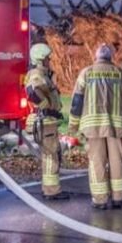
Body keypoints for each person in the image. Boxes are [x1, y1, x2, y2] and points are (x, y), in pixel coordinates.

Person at [69, 44, 122, 209]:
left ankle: (100, 200)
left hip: (93, 127)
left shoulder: (86, 73)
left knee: (97, 162)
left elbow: (77, 101)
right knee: (117, 161)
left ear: (96, 57)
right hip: (116, 126)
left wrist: (73, 125)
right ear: (110, 57)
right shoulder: (120, 74)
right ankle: (118, 197)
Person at [24, 43, 70, 201]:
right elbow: (31, 92)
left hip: (49, 121)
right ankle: (51, 191)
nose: (49, 60)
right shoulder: (37, 74)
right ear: (41, 59)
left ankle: (51, 189)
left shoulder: (43, 74)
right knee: (51, 156)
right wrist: (46, 107)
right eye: (47, 58)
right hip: (46, 120)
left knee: (52, 154)